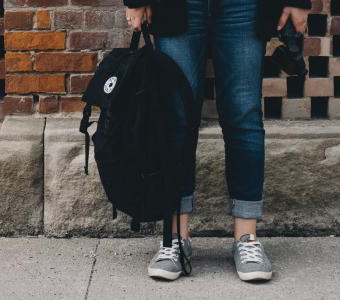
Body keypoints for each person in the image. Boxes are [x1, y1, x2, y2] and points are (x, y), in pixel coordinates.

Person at [124, 0, 311, 281]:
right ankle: (175, 238)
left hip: (244, 6)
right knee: (177, 118)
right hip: (179, 6)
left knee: (244, 115)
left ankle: (246, 238)